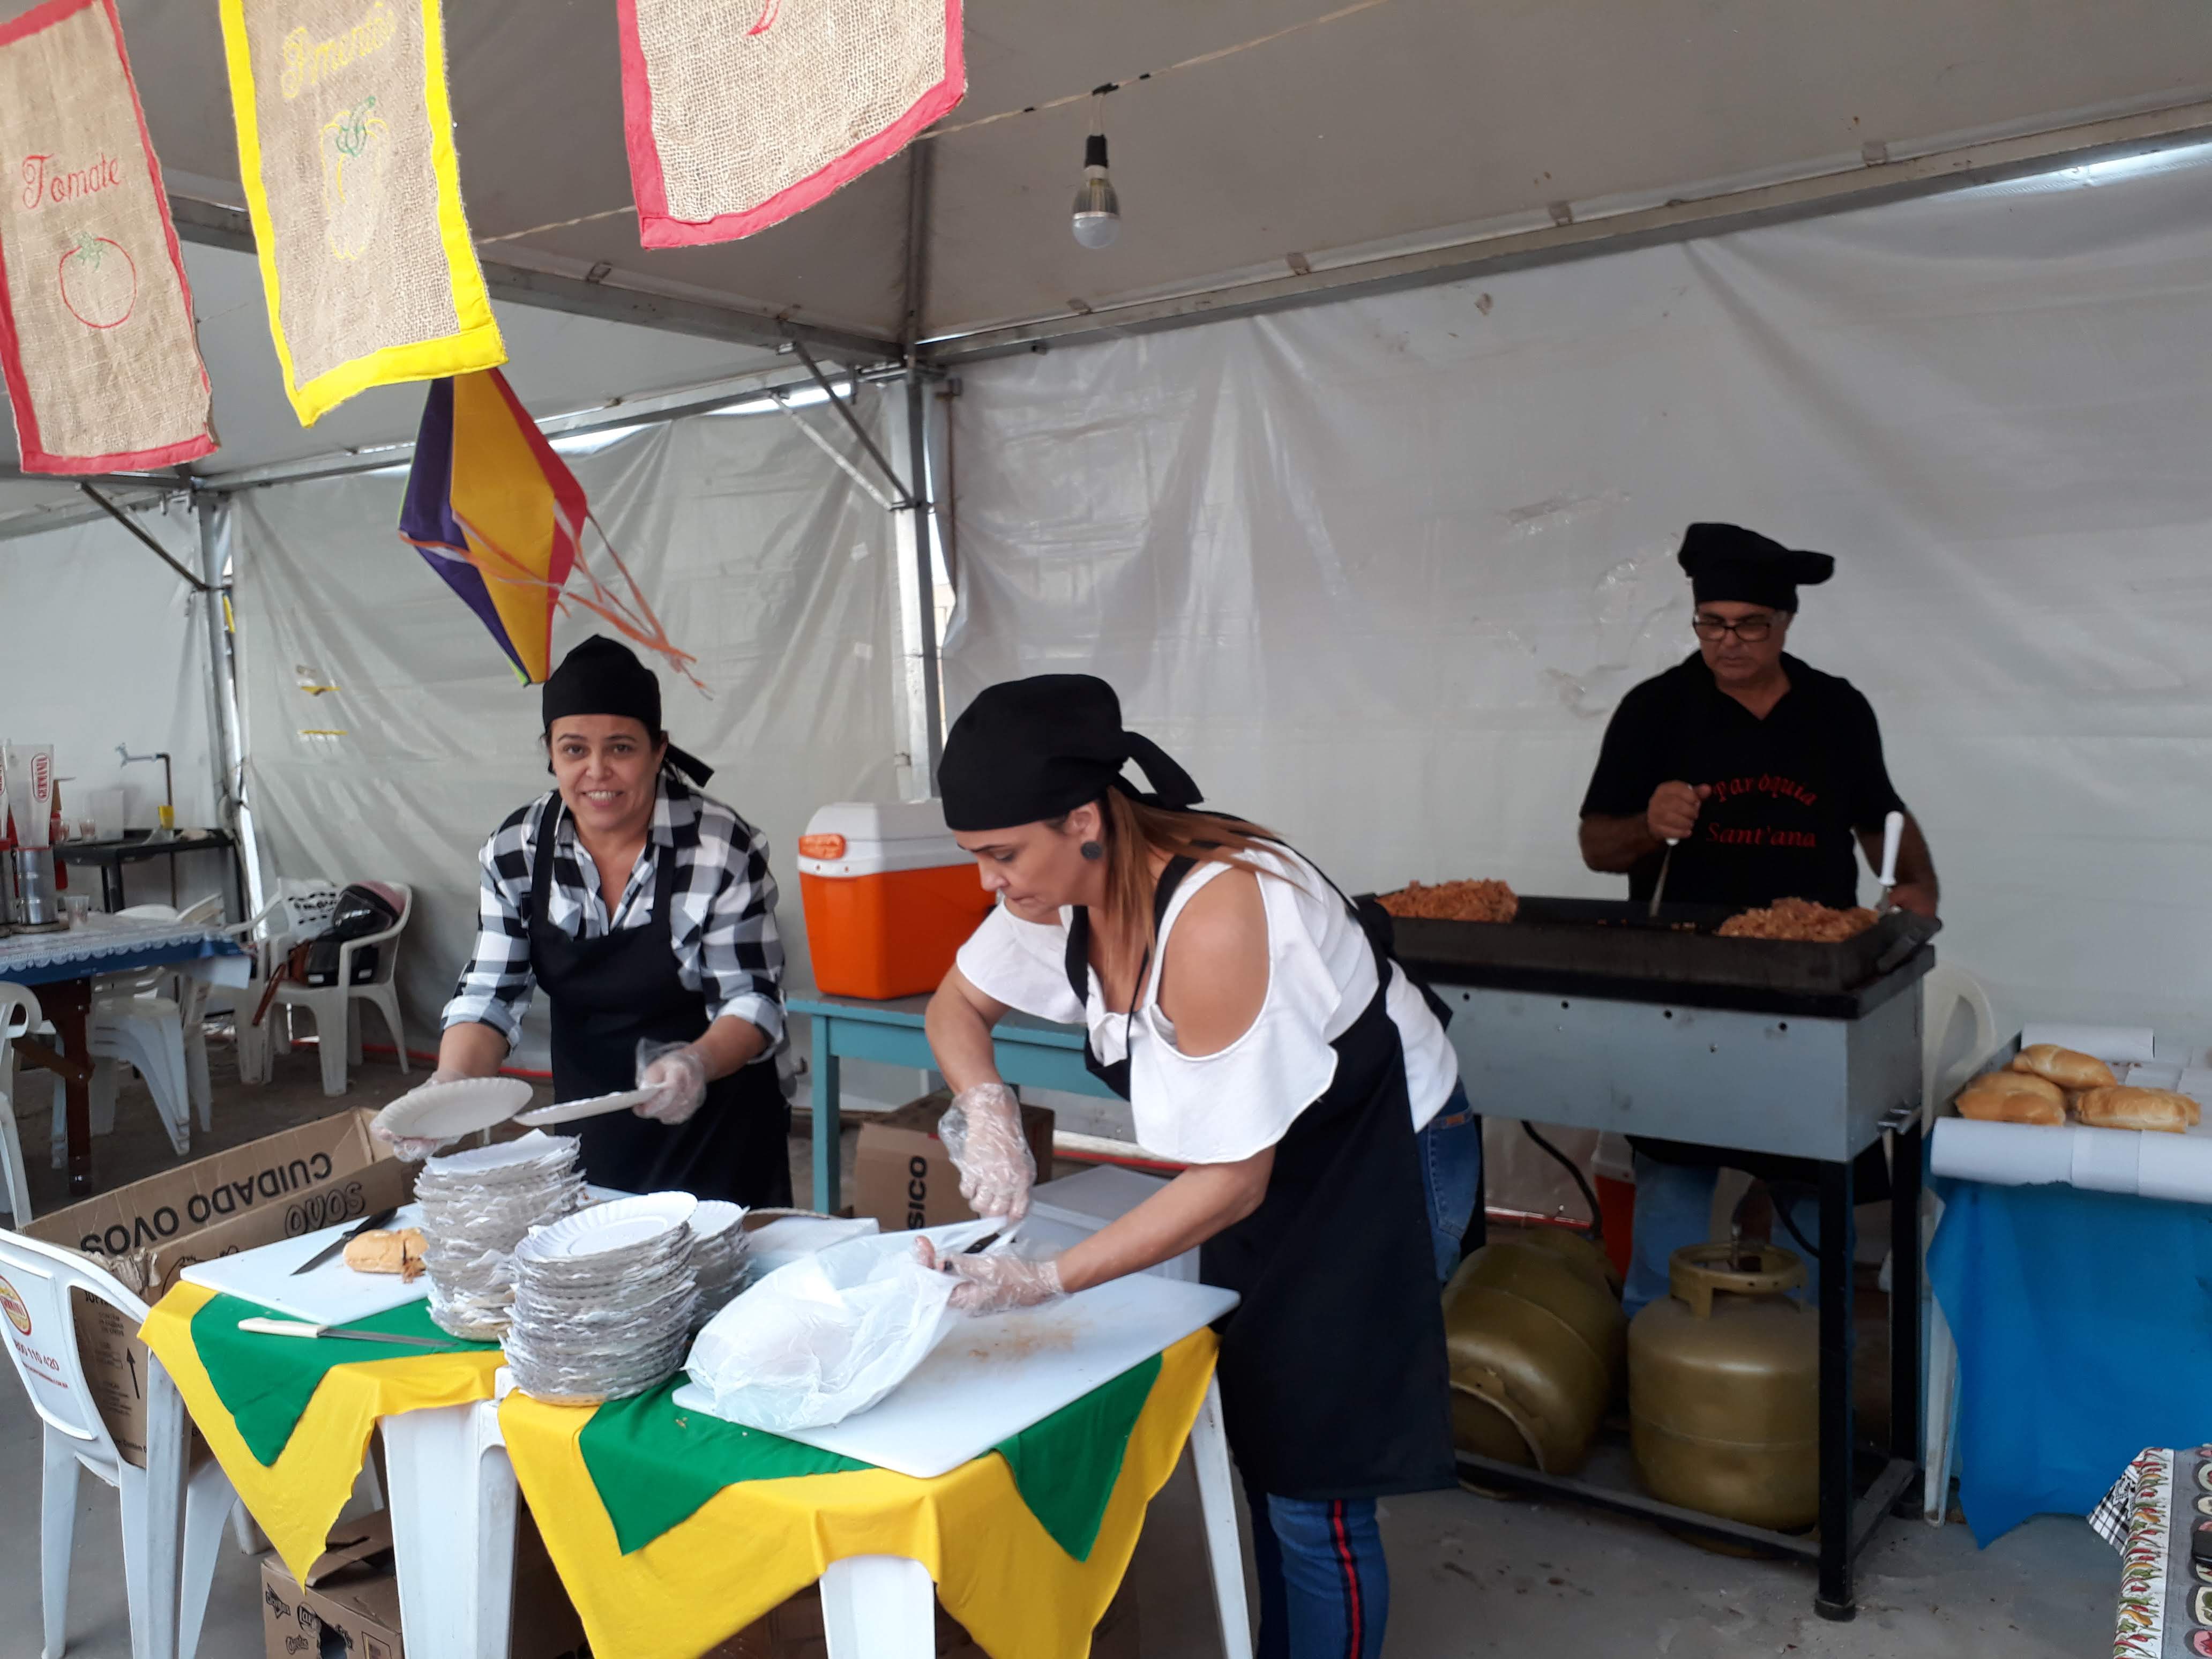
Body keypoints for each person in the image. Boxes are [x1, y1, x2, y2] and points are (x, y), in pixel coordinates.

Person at [915, 674, 1477, 1659]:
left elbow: (1233, 1181)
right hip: (1262, 1160)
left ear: (1083, 818)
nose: (987, 883)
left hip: (1380, 1155)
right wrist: (986, 1105)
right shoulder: (1061, 888)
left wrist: (1041, 1280)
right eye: (975, 857)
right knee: (1265, 1432)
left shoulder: (1216, 916)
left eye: (1001, 855)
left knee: (1317, 1476)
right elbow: (954, 1006)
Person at [1576, 522, 1938, 1315]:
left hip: (1810, 979)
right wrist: (1649, 825)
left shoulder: (1836, 709)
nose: (1728, 642)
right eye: (1712, 624)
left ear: (1786, 623)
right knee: (1674, 1168)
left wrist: (1917, 885)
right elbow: (1597, 846)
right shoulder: (1655, 710)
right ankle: (1655, 1333)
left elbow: (1880, 818)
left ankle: (1809, 1346)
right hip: (1682, 978)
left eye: (1749, 626)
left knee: (1811, 1172)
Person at [393, 636, 792, 1205]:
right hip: (593, 1128)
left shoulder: (718, 847)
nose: (598, 772)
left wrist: (696, 1062)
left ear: (658, 750)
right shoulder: (518, 849)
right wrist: (450, 1088)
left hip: (721, 1131)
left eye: (622, 748)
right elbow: (491, 994)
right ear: (551, 754)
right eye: (575, 750)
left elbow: (752, 1000)